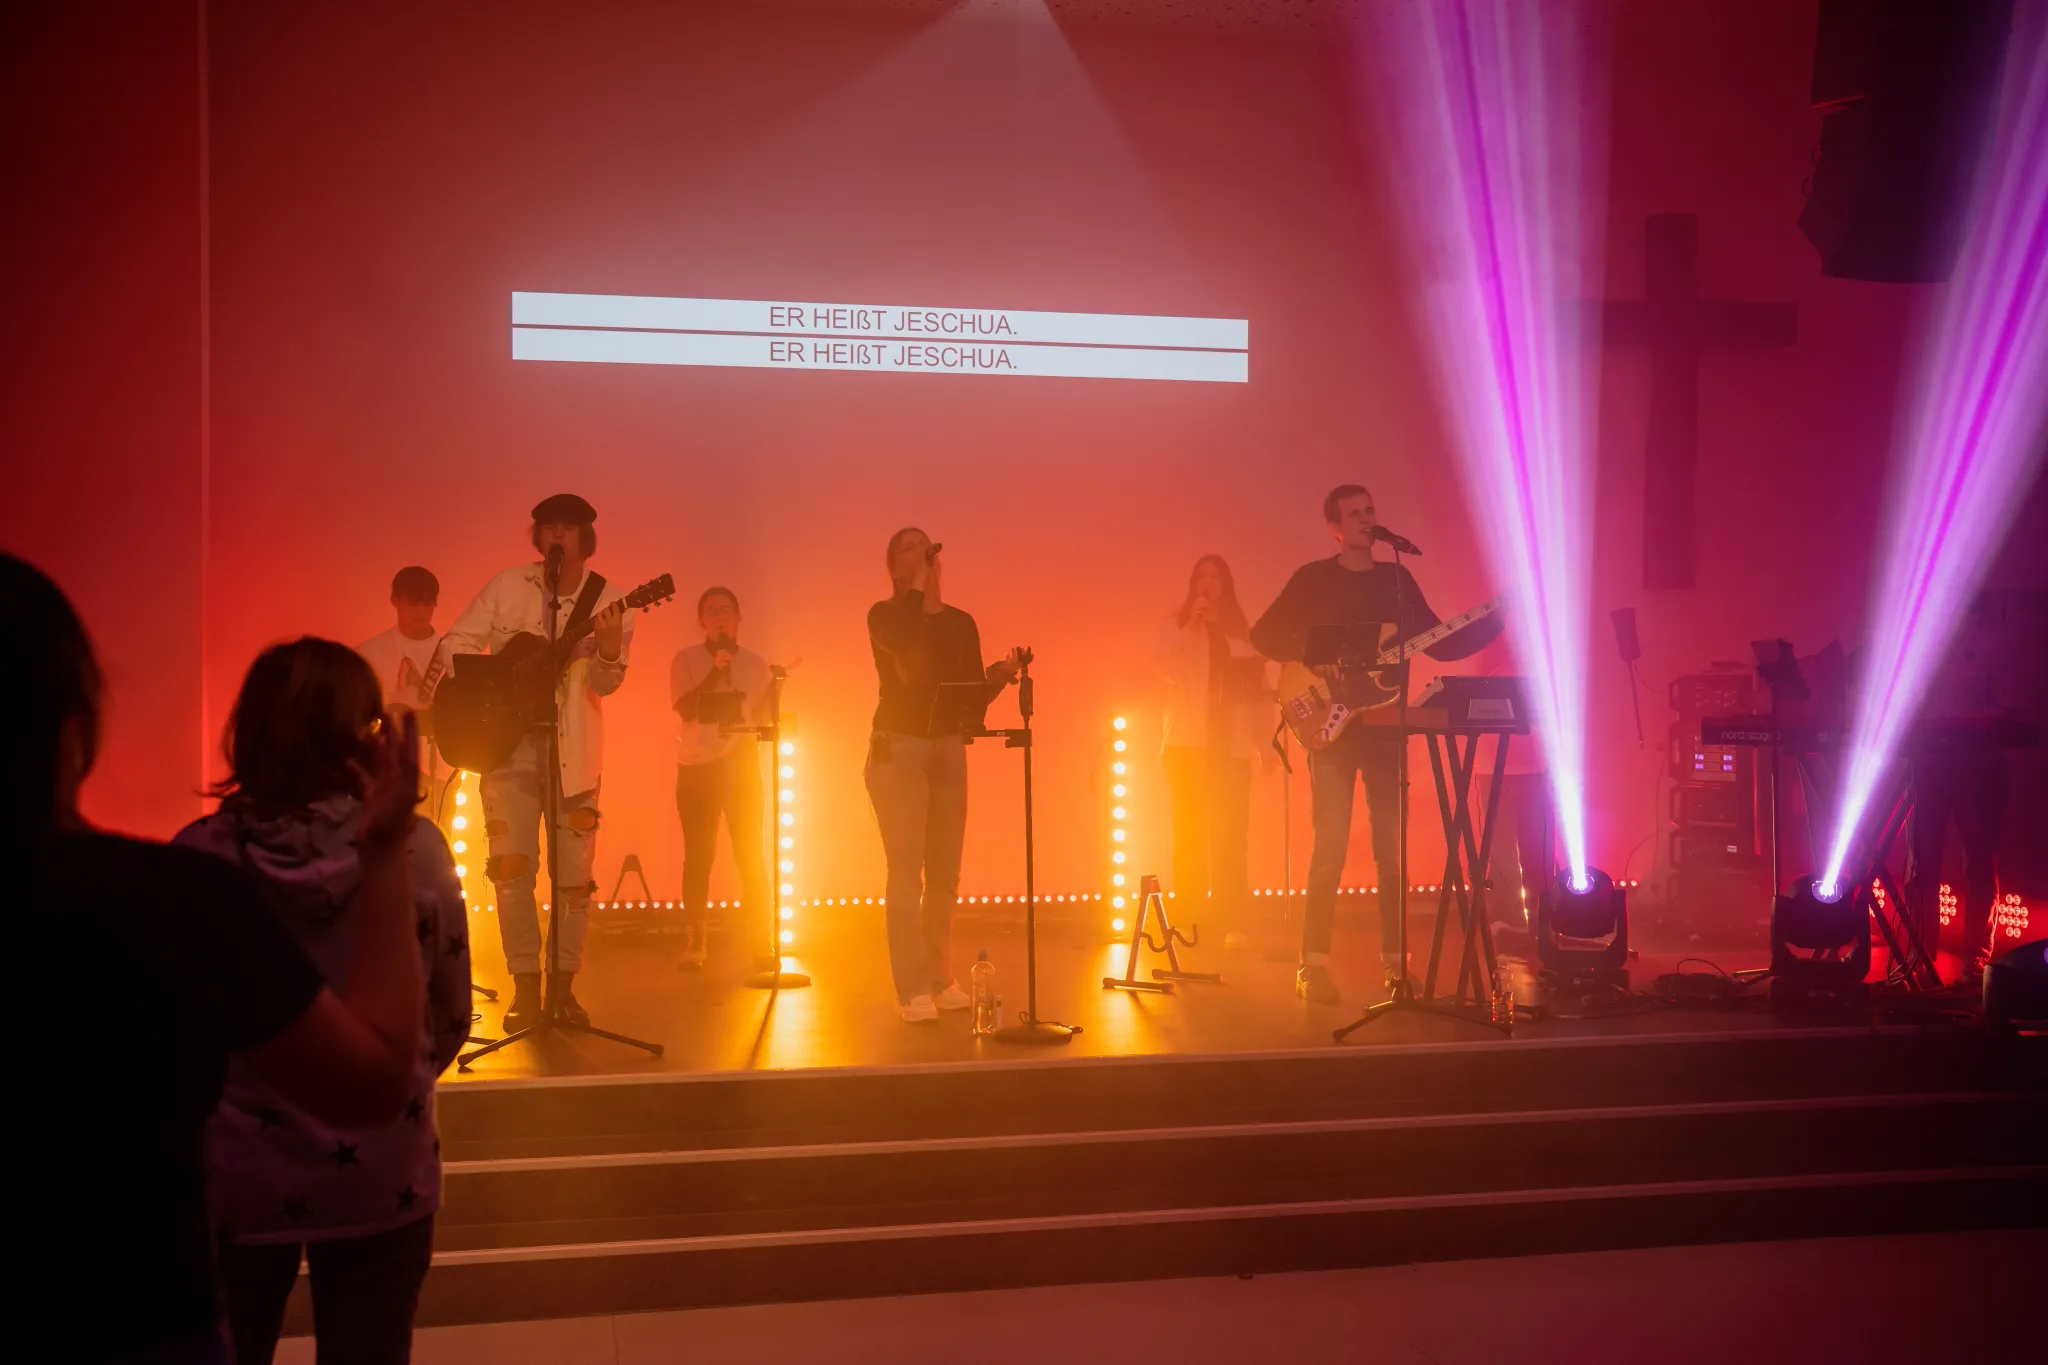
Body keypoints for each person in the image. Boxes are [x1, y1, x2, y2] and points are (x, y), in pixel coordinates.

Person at [10, 552, 424, 1365]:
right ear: (73, 720)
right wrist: (383, 857)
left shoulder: (201, 853)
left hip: (244, 1190)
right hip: (139, 1318)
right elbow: (382, 1075)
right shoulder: (166, 896)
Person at [176, 639, 470, 1365]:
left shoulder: (196, 857)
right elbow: (449, 1015)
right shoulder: (415, 850)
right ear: (360, 736)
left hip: (238, 1177)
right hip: (384, 1168)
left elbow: (175, 1037)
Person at [1250, 485, 1498, 1004]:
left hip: (1385, 728)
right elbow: (1263, 634)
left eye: (1370, 511)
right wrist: (1310, 656)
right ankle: (1312, 966)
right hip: (1331, 726)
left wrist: (1497, 618)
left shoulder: (1396, 580)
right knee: (1329, 851)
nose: (1366, 519)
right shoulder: (1313, 578)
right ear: (1336, 529)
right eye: (1354, 514)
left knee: (1392, 854)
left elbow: (1442, 641)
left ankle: (1396, 968)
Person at [433, 493, 632, 1032]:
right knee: (511, 869)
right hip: (507, 747)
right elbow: (455, 641)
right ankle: (525, 988)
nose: (557, 535)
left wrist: (607, 648)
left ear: (586, 538)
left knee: (574, 880)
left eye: (568, 527)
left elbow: (606, 683)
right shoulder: (506, 586)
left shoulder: (611, 599)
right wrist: (494, 682)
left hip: (575, 753)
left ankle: (563, 988)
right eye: (549, 527)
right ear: (538, 537)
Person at [865, 528, 1023, 1022]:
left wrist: (999, 676)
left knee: (945, 874)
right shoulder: (885, 615)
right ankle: (911, 989)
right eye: (910, 547)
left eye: (926, 544)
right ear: (895, 567)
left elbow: (968, 699)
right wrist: (916, 589)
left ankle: (938, 978)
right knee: (905, 872)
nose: (923, 551)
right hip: (900, 748)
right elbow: (901, 643)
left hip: (949, 750)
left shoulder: (960, 622)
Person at [1905, 595, 2017, 985]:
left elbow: (2006, 710)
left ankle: (1976, 960)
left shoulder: (1994, 646)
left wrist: (1961, 721)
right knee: (1923, 864)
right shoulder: (1925, 646)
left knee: (1980, 864)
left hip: (1976, 765)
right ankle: (1920, 954)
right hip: (1931, 762)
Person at [1155, 554, 1265, 937]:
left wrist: (1264, 744)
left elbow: (1257, 692)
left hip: (1230, 747)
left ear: (1226, 584)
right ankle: (1190, 920)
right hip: (1187, 746)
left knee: (1231, 836)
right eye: (1201, 576)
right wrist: (1192, 629)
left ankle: (1230, 921)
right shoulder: (1176, 626)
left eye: (1215, 577)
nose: (1208, 583)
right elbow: (1168, 671)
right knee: (1189, 835)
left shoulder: (1241, 632)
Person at [669, 586, 773, 970]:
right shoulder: (685, 660)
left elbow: (764, 716)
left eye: (726, 609)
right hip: (697, 768)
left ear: (738, 617)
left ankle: (760, 940)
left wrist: (779, 691)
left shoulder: (757, 665)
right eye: (711, 610)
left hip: (741, 766)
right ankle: (696, 942)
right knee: (699, 856)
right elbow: (685, 709)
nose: (719, 616)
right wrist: (716, 671)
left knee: (750, 854)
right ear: (701, 621)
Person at [356, 565, 444, 719]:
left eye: (428, 603)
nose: (421, 611)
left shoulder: (452, 655)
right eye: (413, 602)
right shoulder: (367, 654)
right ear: (394, 600)